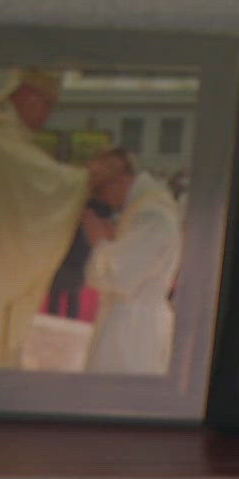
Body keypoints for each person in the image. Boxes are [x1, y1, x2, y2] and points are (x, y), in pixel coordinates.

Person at [0, 67, 96, 368]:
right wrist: (86, 178)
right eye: (46, 104)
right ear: (24, 94)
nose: (48, 114)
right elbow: (42, 182)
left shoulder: (7, 137)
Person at [81, 150, 182, 375]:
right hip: (131, 326)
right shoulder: (146, 207)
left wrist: (98, 241)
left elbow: (119, 278)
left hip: (132, 333)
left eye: (100, 190)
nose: (102, 199)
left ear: (119, 180)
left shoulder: (152, 215)